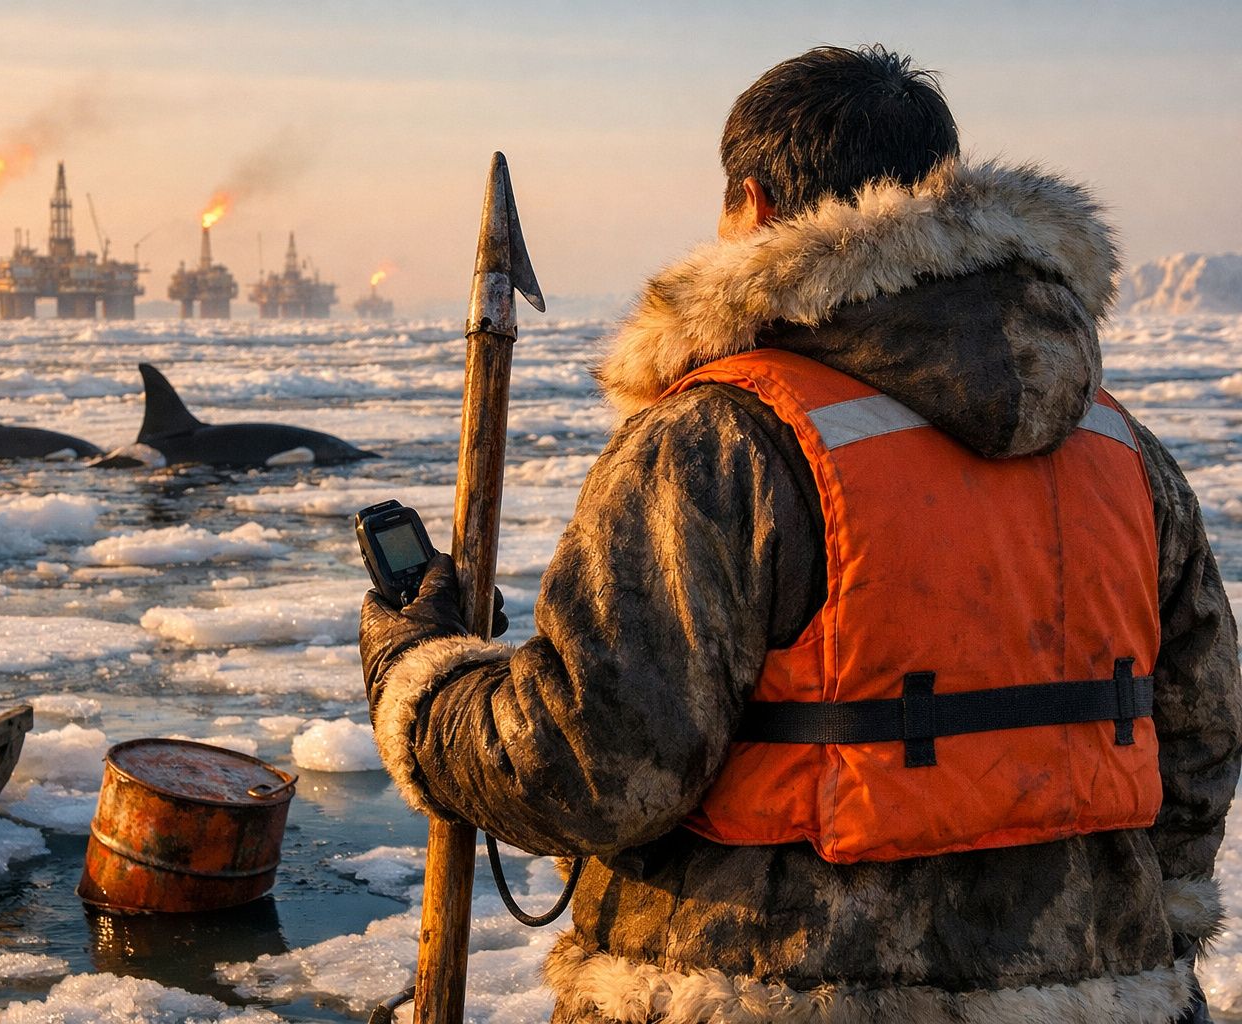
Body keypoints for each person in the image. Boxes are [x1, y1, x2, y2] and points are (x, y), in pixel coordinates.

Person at [359, 45, 1241, 1023]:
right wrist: (1115, 925)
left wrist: (423, 677)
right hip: (1102, 994)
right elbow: (1200, 734)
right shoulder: (1120, 447)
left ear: (754, 205)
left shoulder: (721, 439)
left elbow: (596, 767)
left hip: (754, 991)